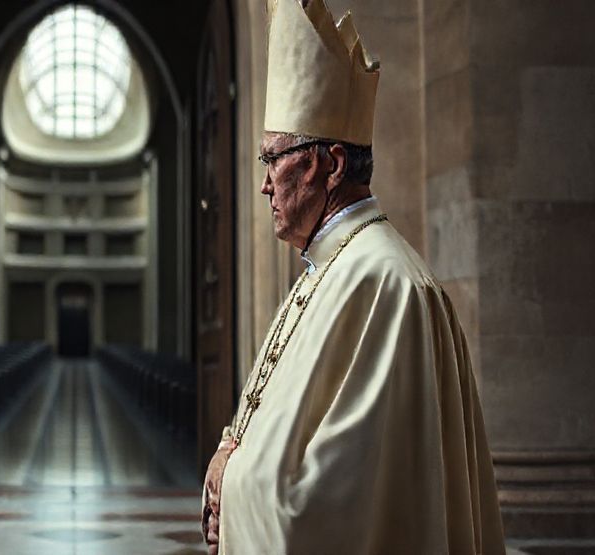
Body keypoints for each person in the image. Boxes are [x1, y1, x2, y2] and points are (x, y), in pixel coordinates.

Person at [201, 0, 506, 553]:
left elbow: (340, 502)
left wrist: (232, 482)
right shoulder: (327, 268)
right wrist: (228, 452)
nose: (265, 184)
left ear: (332, 165)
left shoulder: (385, 285)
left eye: (274, 160)